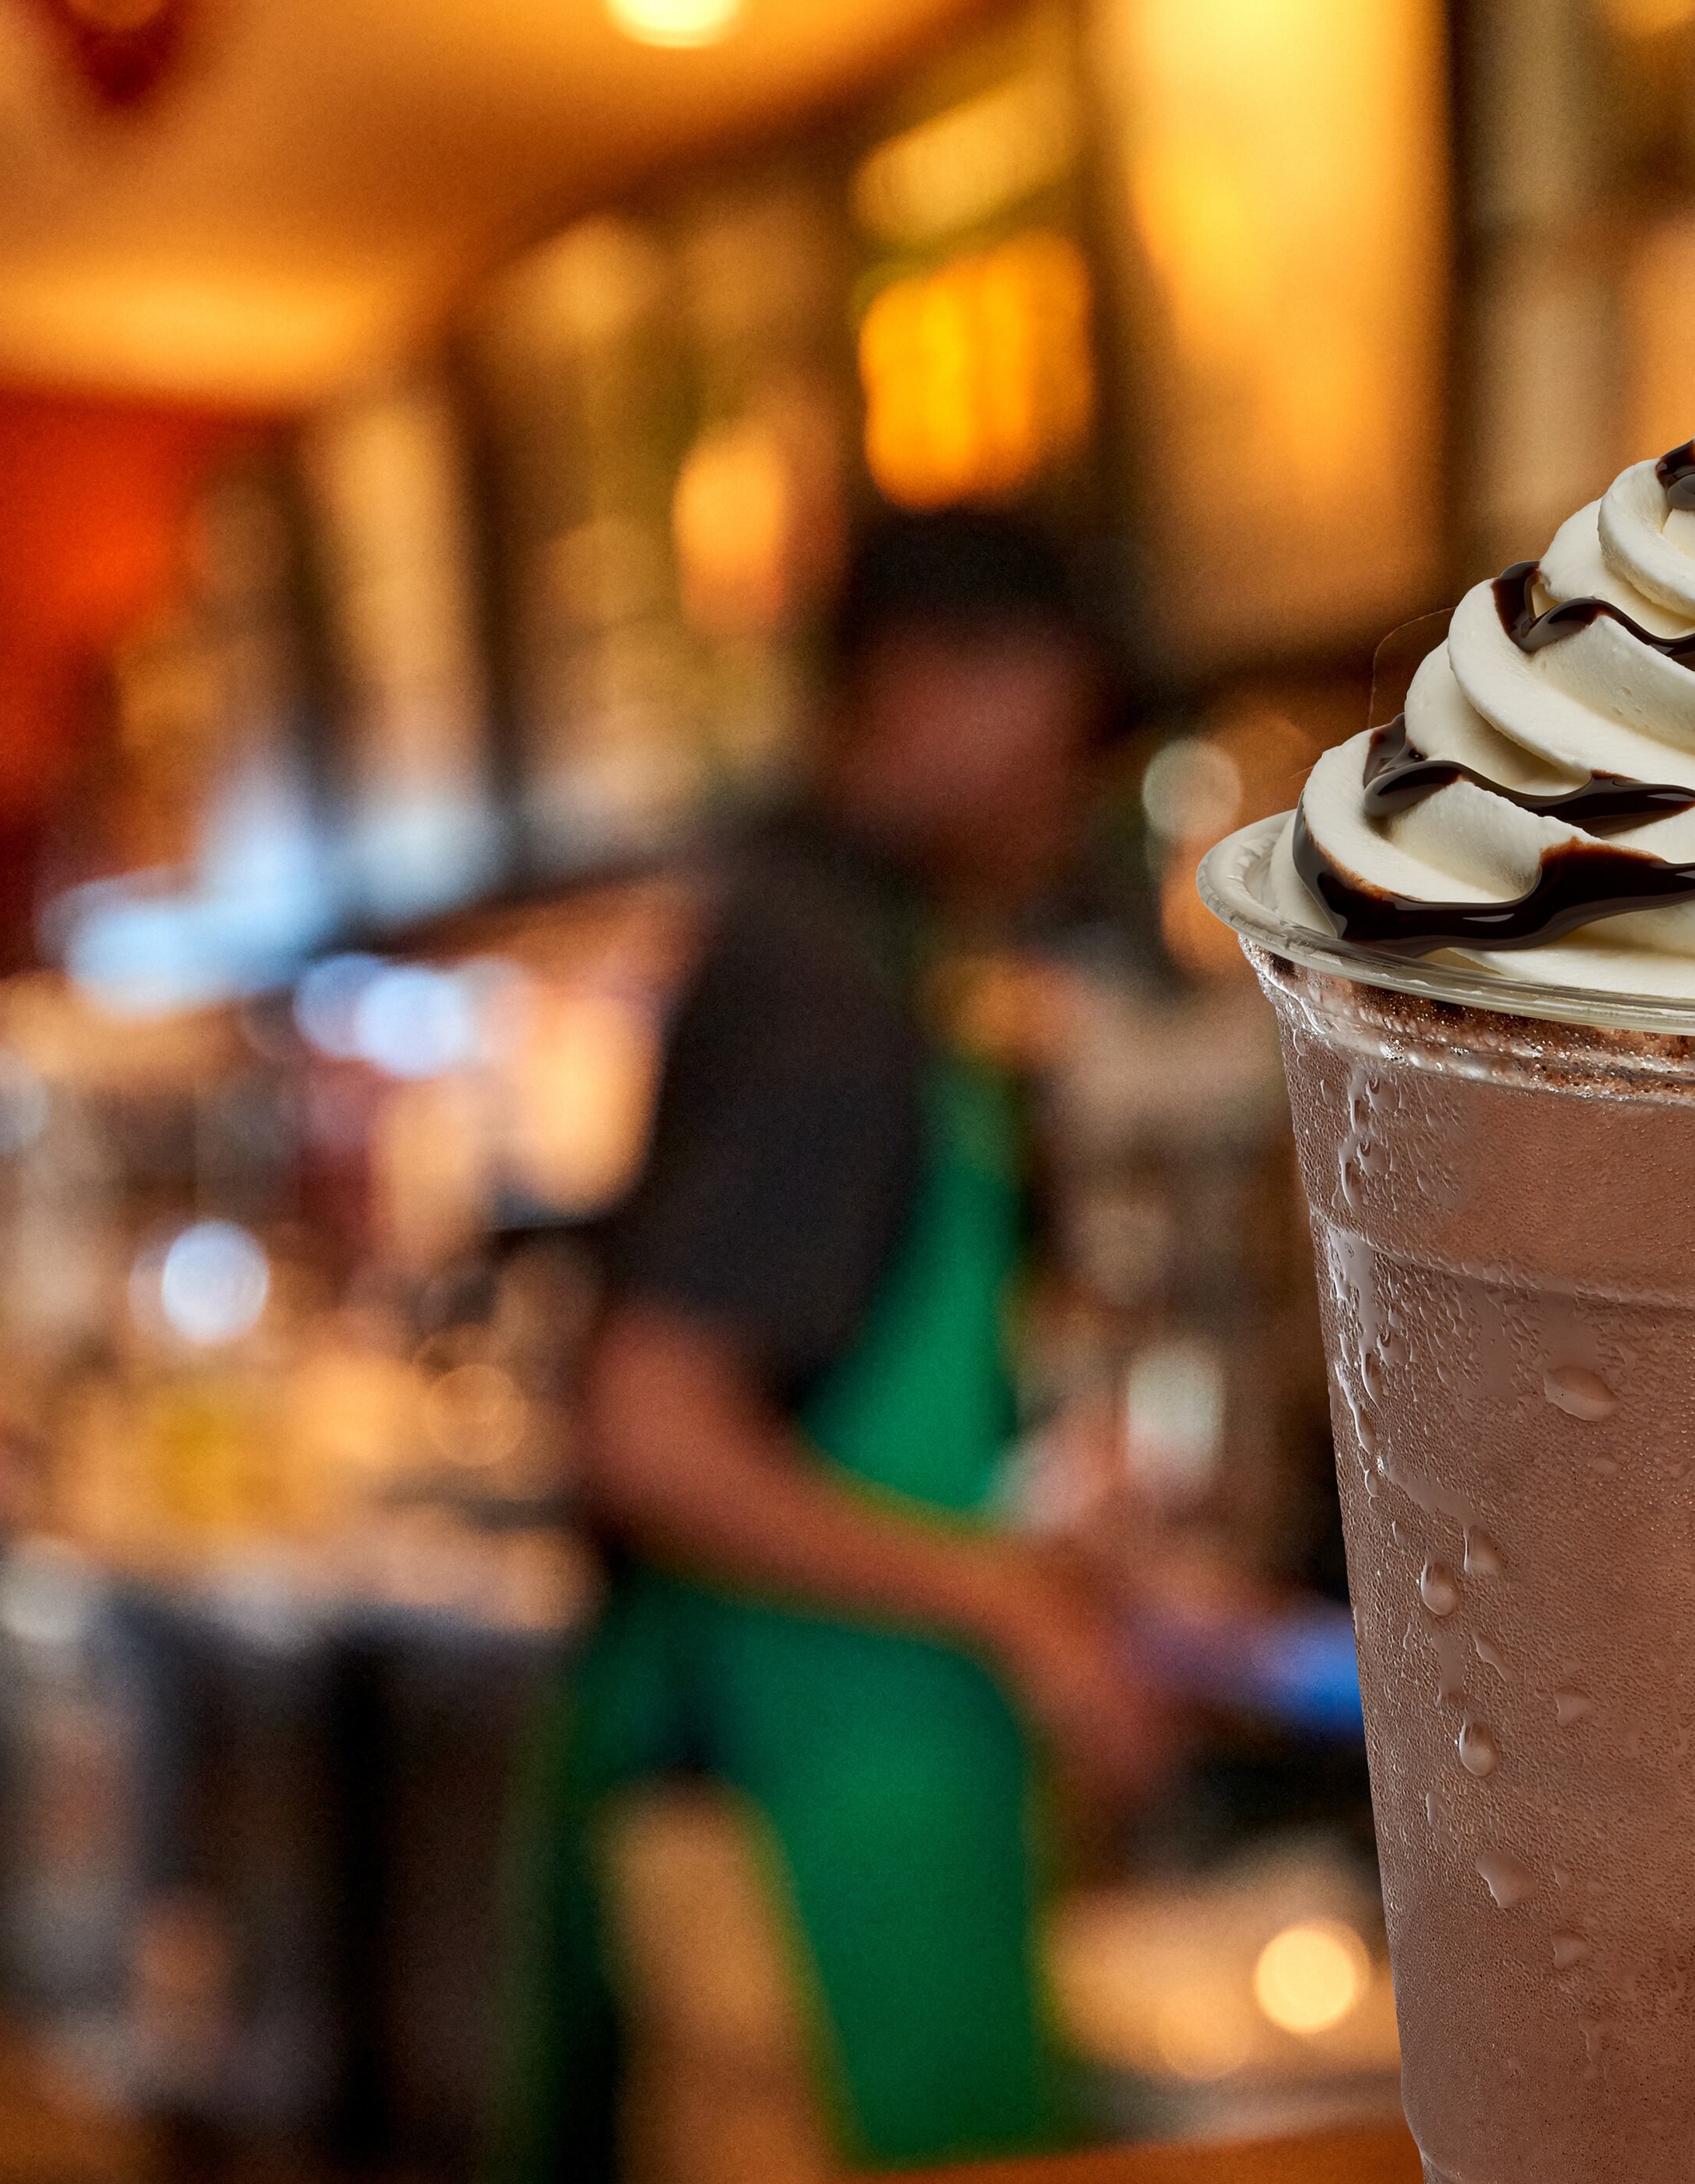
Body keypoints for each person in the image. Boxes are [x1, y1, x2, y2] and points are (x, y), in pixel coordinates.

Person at [492, 509, 1177, 2180]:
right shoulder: (818, 983)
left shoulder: (856, 953)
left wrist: (1065, 1551)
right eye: (1056, 721)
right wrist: (1002, 1593)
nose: (1064, 783)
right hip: (787, 1833)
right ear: (919, 679)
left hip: (864, 1795)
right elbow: (650, 1428)